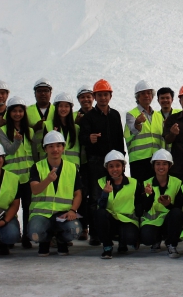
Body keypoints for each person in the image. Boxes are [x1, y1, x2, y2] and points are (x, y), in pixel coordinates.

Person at [79, 79, 125, 246]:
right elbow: (82, 137)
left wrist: (122, 160)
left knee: (116, 196)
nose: (103, 98)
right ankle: (95, 233)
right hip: (96, 163)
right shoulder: (88, 117)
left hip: (114, 163)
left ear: (110, 96)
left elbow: (119, 139)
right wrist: (89, 138)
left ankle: (114, 231)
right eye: (100, 95)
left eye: (106, 94)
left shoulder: (115, 115)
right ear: (95, 96)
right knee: (96, 197)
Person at [29, 131, 83, 256]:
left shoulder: (72, 168)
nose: (55, 149)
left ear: (63, 148)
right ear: (45, 149)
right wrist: (48, 180)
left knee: (75, 230)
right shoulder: (37, 167)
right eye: (51, 146)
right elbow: (35, 190)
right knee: (34, 232)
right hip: (41, 213)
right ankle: (45, 241)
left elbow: (78, 194)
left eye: (58, 146)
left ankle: (61, 241)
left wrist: (72, 210)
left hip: (63, 213)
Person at [0, 96, 34, 249]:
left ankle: (26, 235)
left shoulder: (30, 131)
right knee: (8, 207)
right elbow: (8, 150)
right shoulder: (3, 130)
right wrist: (17, 141)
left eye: (20, 111)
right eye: (14, 111)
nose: (17, 114)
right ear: (9, 113)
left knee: (28, 207)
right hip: (11, 177)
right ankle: (9, 235)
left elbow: (34, 153)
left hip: (27, 176)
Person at [94, 150, 146, 259]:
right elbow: (100, 207)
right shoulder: (101, 182)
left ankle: (124, 243)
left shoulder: (134, 183)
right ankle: (107, 247)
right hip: (110, 221)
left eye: (118, 166)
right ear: (107, 168)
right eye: (111, 166)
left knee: (130, 237)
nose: (114, 169)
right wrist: (105, 194)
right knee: (100, 214)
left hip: (128, 221)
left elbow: (140, 206)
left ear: (123, 167)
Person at [139, 150, 183, 257]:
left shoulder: (177, 183)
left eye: (164, 164)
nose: (161, 167)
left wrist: (168, 205)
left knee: (177, 213)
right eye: (158, 164)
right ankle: (156, 240)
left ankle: (171, 244)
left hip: (169, 223)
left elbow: (179, 208)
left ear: (170, 166)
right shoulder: (146, 184)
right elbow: (142, 208)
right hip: (152, 223)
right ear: (153, 166)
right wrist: (149, 196)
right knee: (146, 237)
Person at [124, 80, 162, 181]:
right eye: (143, 93)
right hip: (139, 160)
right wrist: (137, 123)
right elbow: (133, 129)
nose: (146, 96)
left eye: (149, 93)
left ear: (152, 96)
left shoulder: (159, 116)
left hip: (157, 160)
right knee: (141, 192)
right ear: (137, 97)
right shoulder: (131, 114)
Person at [75, 84, 94, 241]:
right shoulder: (74, 117)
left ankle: (94, 227)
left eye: (89, 96)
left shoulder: (99, 115)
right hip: (79, 162)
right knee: (81, 194)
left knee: (95, 195)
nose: (86, 99)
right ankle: (83, 227)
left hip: (94, 162)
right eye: (83, 97)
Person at [44, 92, 80, 166]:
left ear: (70, 108)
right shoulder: (48, 125)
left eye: (66, 106)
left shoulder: (76, 128)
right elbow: (44, 147)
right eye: (60, 106)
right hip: (55, 167)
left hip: (73, 168)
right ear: (56, 107)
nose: (63, 109)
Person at [27, 78, 55, 162]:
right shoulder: (26, 111)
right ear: (35, 94)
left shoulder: (58, 110)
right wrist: (34, 128)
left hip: (54, 153)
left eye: (46, 91)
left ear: (51, 94)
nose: (43, 93)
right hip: (34, 153)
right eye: (39, 91)